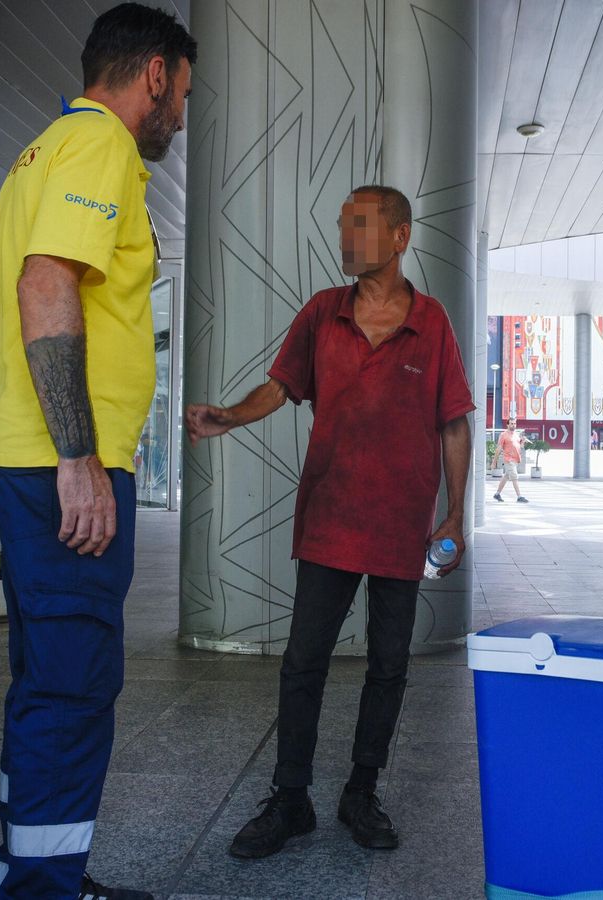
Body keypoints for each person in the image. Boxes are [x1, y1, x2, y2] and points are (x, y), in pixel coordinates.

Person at [0, 5, 194, 898]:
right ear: (152, 75)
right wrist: (79, 456)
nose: (181, 109)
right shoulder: (100, 147)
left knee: (47, 684)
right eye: (183, 90)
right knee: (71, 688)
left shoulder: (42, 150)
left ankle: (34, 870)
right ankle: (41, 891)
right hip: (54, 465)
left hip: (25, 458)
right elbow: (47, 281)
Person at [185, 185, 474, 859]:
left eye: (363, 226)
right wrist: (230, 415)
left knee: (389, 664)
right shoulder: (322, 312)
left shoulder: (431, 324)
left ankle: (360, 792)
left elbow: (453, 423)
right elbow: (281, 386)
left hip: (404, 525)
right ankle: (291, 800)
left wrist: (456, 514)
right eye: (344, 225)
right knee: (302, 663)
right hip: (330, 518)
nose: (347, 238)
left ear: (400, 236)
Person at [494, 417, 528, 502]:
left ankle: (497, 494)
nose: (513, 425)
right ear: (508, 425)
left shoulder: (516, 435)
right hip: (508, 459)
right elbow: (499, 448)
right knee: (514, 477)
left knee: (506, 476)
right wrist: (494, 461)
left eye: (515, 423)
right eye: (512, 423)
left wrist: (523, 442)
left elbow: (520, 447)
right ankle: (519, 496)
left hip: (515, 460)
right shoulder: (503, 435)